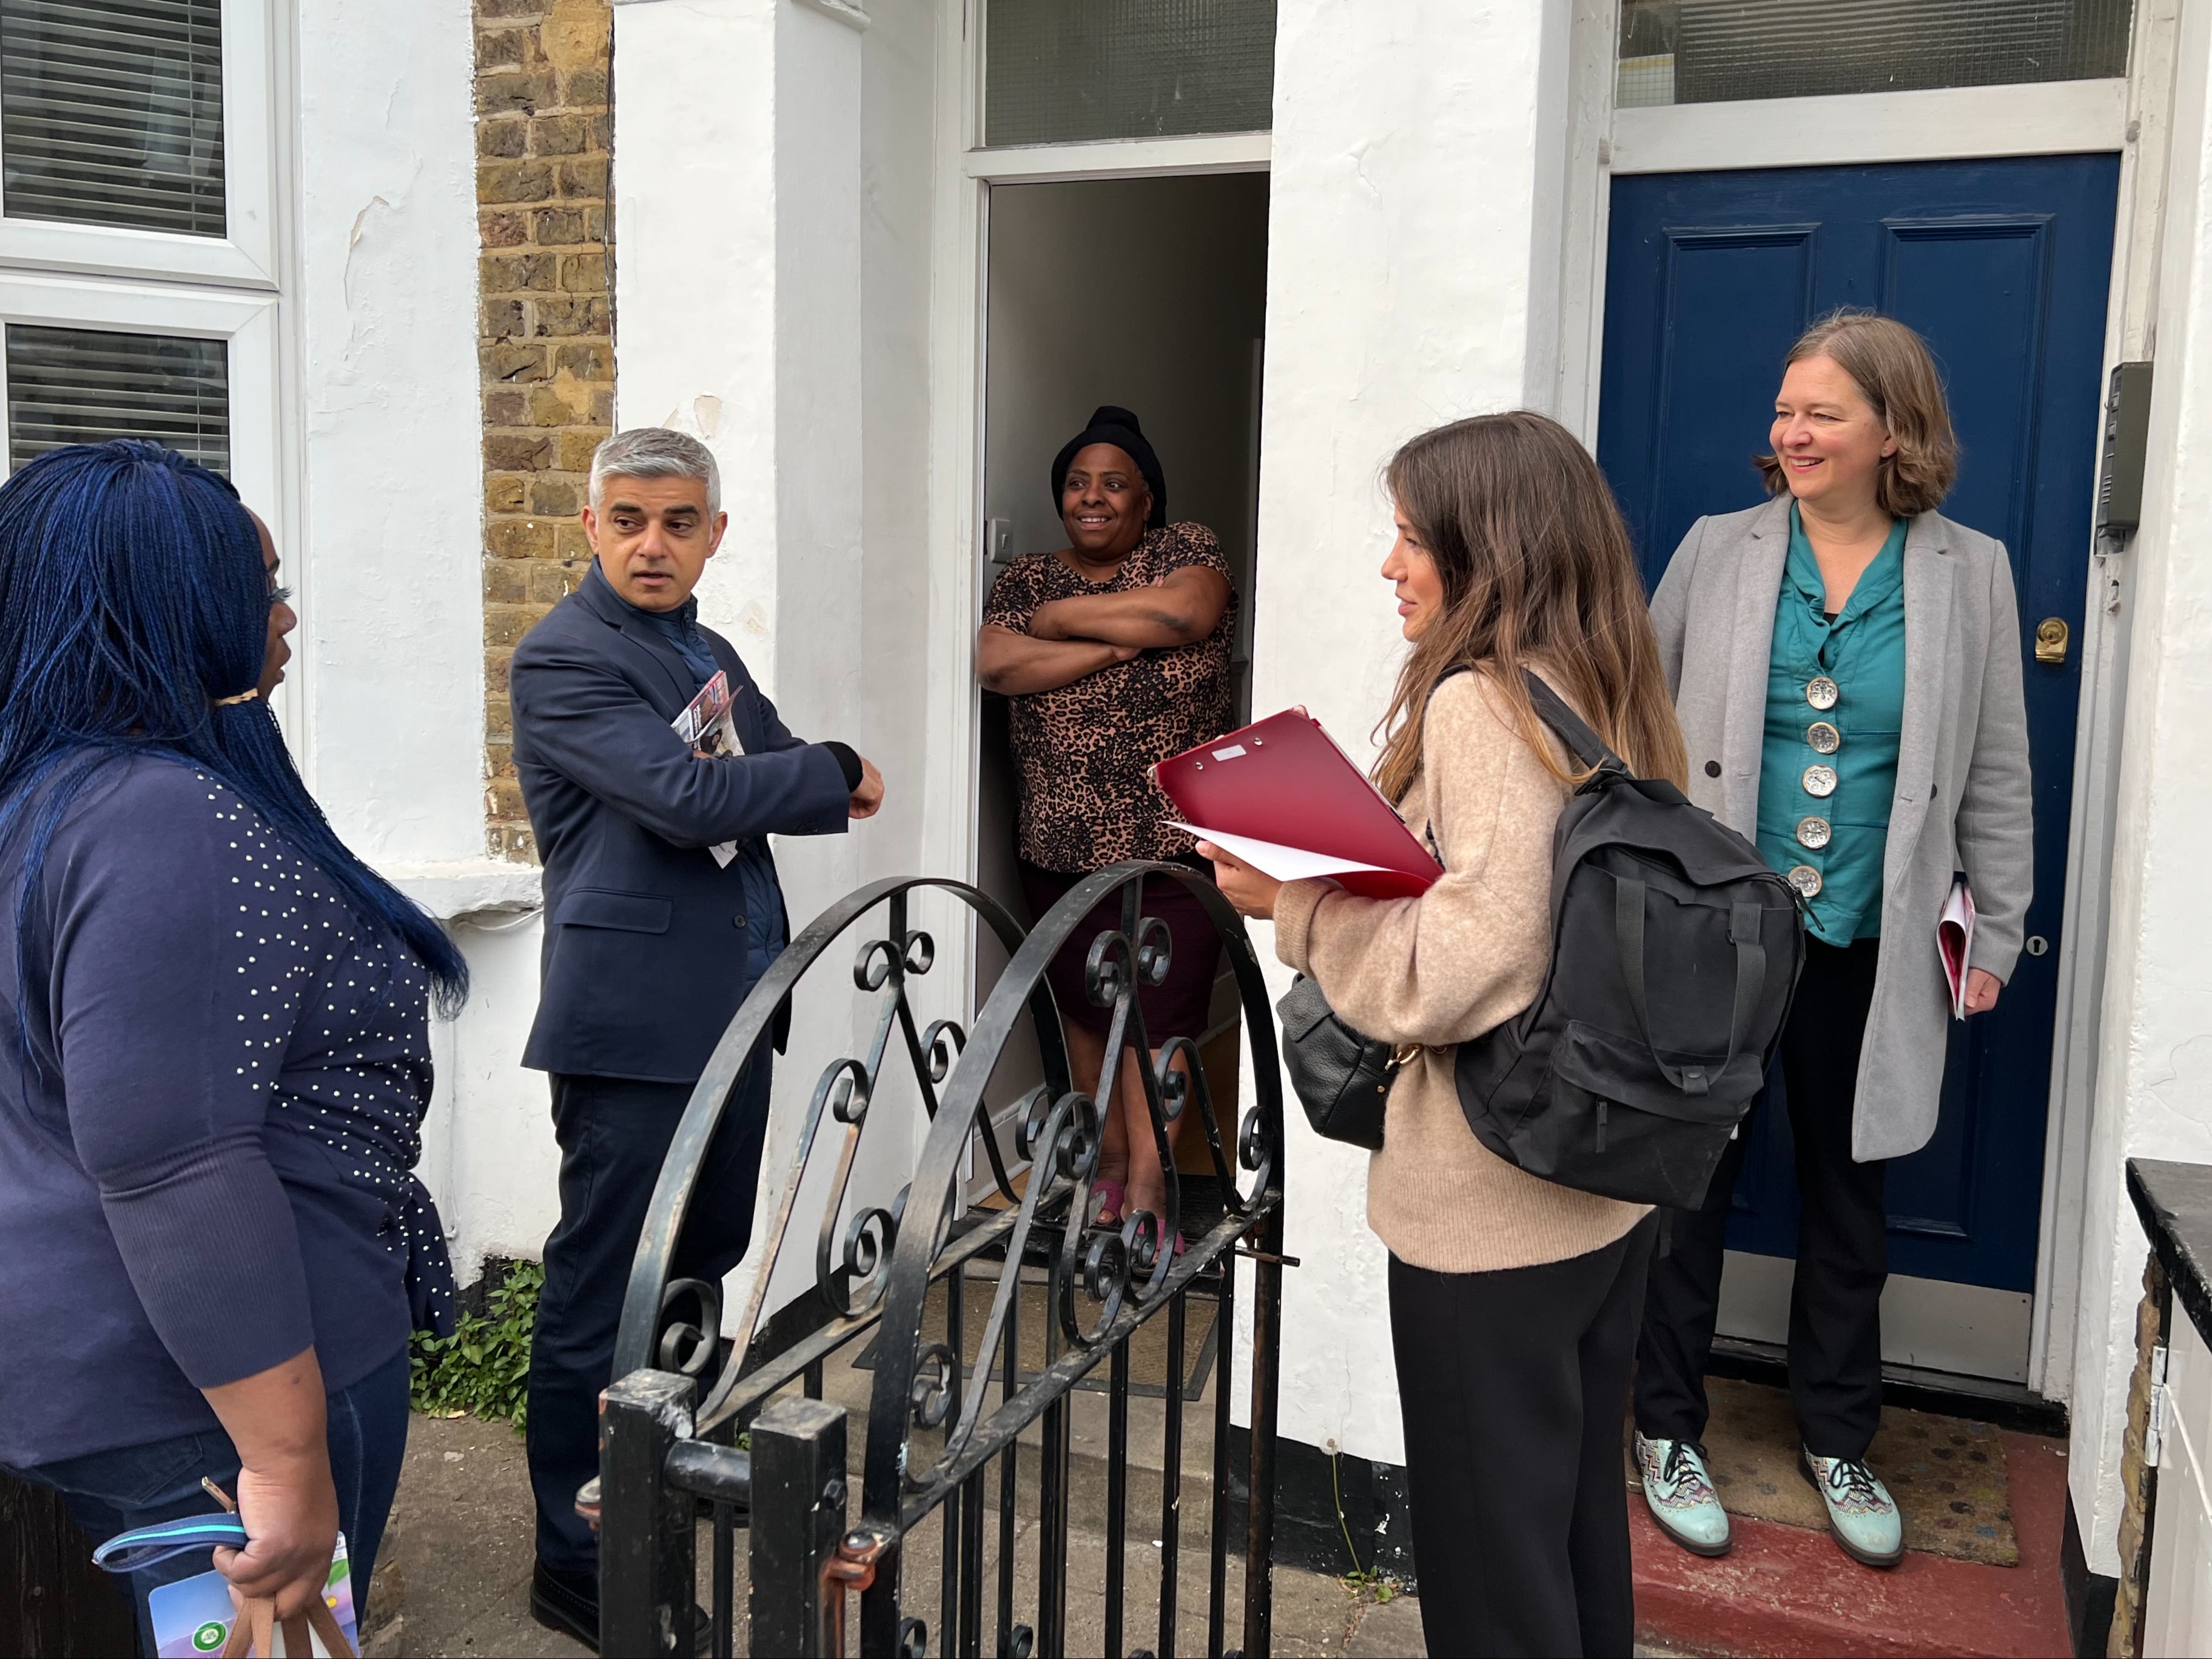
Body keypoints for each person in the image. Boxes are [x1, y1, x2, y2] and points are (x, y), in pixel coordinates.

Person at [1203, 412, 1681, 1657]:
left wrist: (1290, 903)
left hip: (1492, 1206)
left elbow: (1474, 960)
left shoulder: (1482, 701)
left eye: (1414, 538)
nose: (1391, 565)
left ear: (1490, 548)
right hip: (1598, 1195)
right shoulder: (1605, 682)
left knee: (1487, 1570)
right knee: (1568, 1532)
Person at [0, 441, 469, 1647]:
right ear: (169, 601)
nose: (286, 611)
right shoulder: (159, 816)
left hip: (133, 1363)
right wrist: (283, 1463)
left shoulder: (54, 799)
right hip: (218, 1391)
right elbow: (173, 1163)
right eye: (257, 584)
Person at [1632, 309, 2033, 1570]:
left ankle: (1838, 1437)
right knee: (1687, 1183)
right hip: (1719, 932)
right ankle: (1664, 1427)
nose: (1792, 433)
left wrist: (1999, 933)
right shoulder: (1718, 551)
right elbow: (1643, 734)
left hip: (1873, 932)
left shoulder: (1971, 573)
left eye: (1823, 413)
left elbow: (1999, 773)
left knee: (1847, 1193)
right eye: (1784, 410)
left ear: (1893, 431)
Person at [510, 426, 884, 1647]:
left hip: (735, 1012)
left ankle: (657, 1482)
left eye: (678, 522)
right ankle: (575, 1552)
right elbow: (688, 799)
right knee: (602, 1288)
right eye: (628, 520)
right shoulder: (565, 656)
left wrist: (799, 771)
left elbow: (757, 767)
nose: (652, 543)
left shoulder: (704, 647)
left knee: (697, 1264)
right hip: (629, 1026)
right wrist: (832, 765)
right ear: (591, 528)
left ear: (715, 533)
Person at [977, 405, 1236, 1238]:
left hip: (1174, 845)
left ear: (1148, 499)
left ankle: (1156, 1186)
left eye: (1114, 483)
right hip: (1059, 844)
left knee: (1159, 1022)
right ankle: (1106, 1171)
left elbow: (1182, 617)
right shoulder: (1023, 578)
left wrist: (1059, 625)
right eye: (1078, 483)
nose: (1093, 497)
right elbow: (998, 665)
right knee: (1089, 1017)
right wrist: (1112, 645)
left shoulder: (1188, 551)